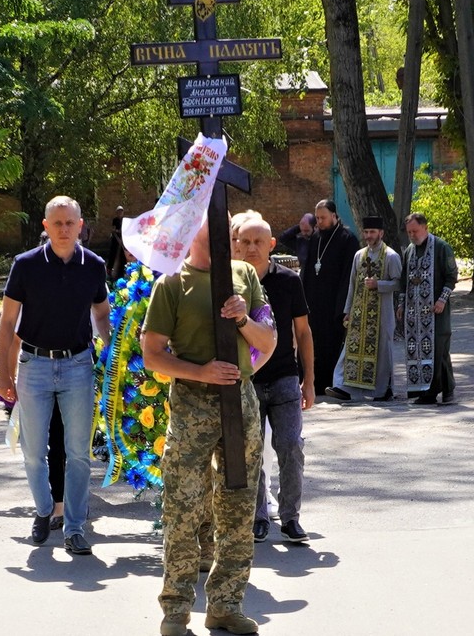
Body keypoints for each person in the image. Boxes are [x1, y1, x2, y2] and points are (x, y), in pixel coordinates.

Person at [141, 218, 277, 636]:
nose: (224, 234)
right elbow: (153, 355)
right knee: (184, 507)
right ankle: (176, 610)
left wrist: (241, 320)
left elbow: (267, 341)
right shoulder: (171, 285)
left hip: (242, 405)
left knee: (238, 504)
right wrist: (201, 372)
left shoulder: (246, 275)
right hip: (193, 406)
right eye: (211, 225)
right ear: (193, 231)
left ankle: (225, 604)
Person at [0, 196, 111, 555]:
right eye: (56, 223)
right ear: (45, 227)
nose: (63, 229)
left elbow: (103, 316)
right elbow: (8, 321)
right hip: (35, 365)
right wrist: (3, 374)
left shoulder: (94, 265)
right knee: (32, 451)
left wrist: (118, 355)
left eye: (70, 223)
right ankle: (45, 510)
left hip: (78, 366)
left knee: (78, 453)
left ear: (81, 227)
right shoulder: (25, 265)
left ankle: (75, 528)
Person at [234, 217, 315, 545]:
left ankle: (291, 517)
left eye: (258, 242)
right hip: (247, 380)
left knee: (291, 445)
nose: (251, 248)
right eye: (245, 242)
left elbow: (303, 332)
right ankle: (258, 517)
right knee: (252, 451)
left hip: (284, 377)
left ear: (270, 245)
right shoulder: (232, 283)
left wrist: (310, 381)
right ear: (237, 244)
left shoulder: (288, 281)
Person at [327, 216, 402, 401]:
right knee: (350, 351)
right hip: (359, 313)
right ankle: (342, 387)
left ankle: (383, 391)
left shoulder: (391, 256)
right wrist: (347, 310)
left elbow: (399, 283)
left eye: (372, 232)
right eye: (366, 232)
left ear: (381, 233)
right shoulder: (359, 255)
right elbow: (352, 285)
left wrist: (379, 284)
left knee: (382, 353)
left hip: (382, 314)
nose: (368, 236)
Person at [397, 212, 458, 404]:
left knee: (439, 350)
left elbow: (451, 276)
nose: (412, 235)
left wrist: (442, 300)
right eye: (409, 232)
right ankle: (425, 393)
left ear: (425, 227)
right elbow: (404, 280)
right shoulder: (409, 251)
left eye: (415, 231)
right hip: (414, 314)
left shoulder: (441, 247)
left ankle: (448, 390)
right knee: (419, 351)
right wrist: (401, 305)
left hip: (436, 311)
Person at [301, 200, 359, 396]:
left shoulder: (347, 239)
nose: (319, 222)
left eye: (323, 218)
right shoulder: (316, 238)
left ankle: (330, 383)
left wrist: (343, 307)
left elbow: (348, 277)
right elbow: (308, 270)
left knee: (330, 346)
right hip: (314, 303)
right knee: (313, 344)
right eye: (317, 218)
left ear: (334, 216)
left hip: (334, 303)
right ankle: (312, 383)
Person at [107, 205, 127, 280]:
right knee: (113, 253)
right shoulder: (115, 220)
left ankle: (123, 270)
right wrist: (117, 233)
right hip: (116, 239)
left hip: (123, 240)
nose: (120, 213)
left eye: (121, 211)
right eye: (119, 211)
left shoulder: (124, 220)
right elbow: (113, 230)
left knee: (123, 254)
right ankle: (109, 270)